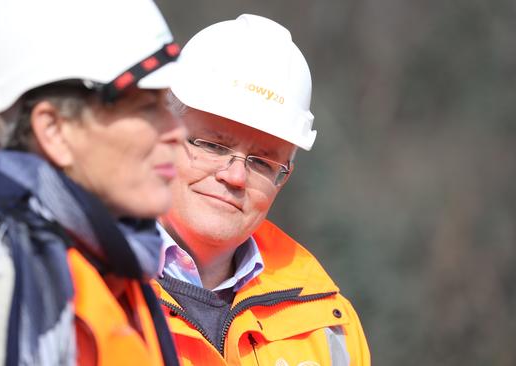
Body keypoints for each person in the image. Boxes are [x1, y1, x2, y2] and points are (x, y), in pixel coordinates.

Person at [0, 0, 186, 365]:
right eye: (146, 107)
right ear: (54, 130)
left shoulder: (113, 257)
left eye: (167, 104)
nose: (177, 130)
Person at [153, 14, 371, 365]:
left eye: (261, 162)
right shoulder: (84, 288)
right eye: (212, 145)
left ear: (283, 177)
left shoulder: (329, 325)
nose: (235, 176)